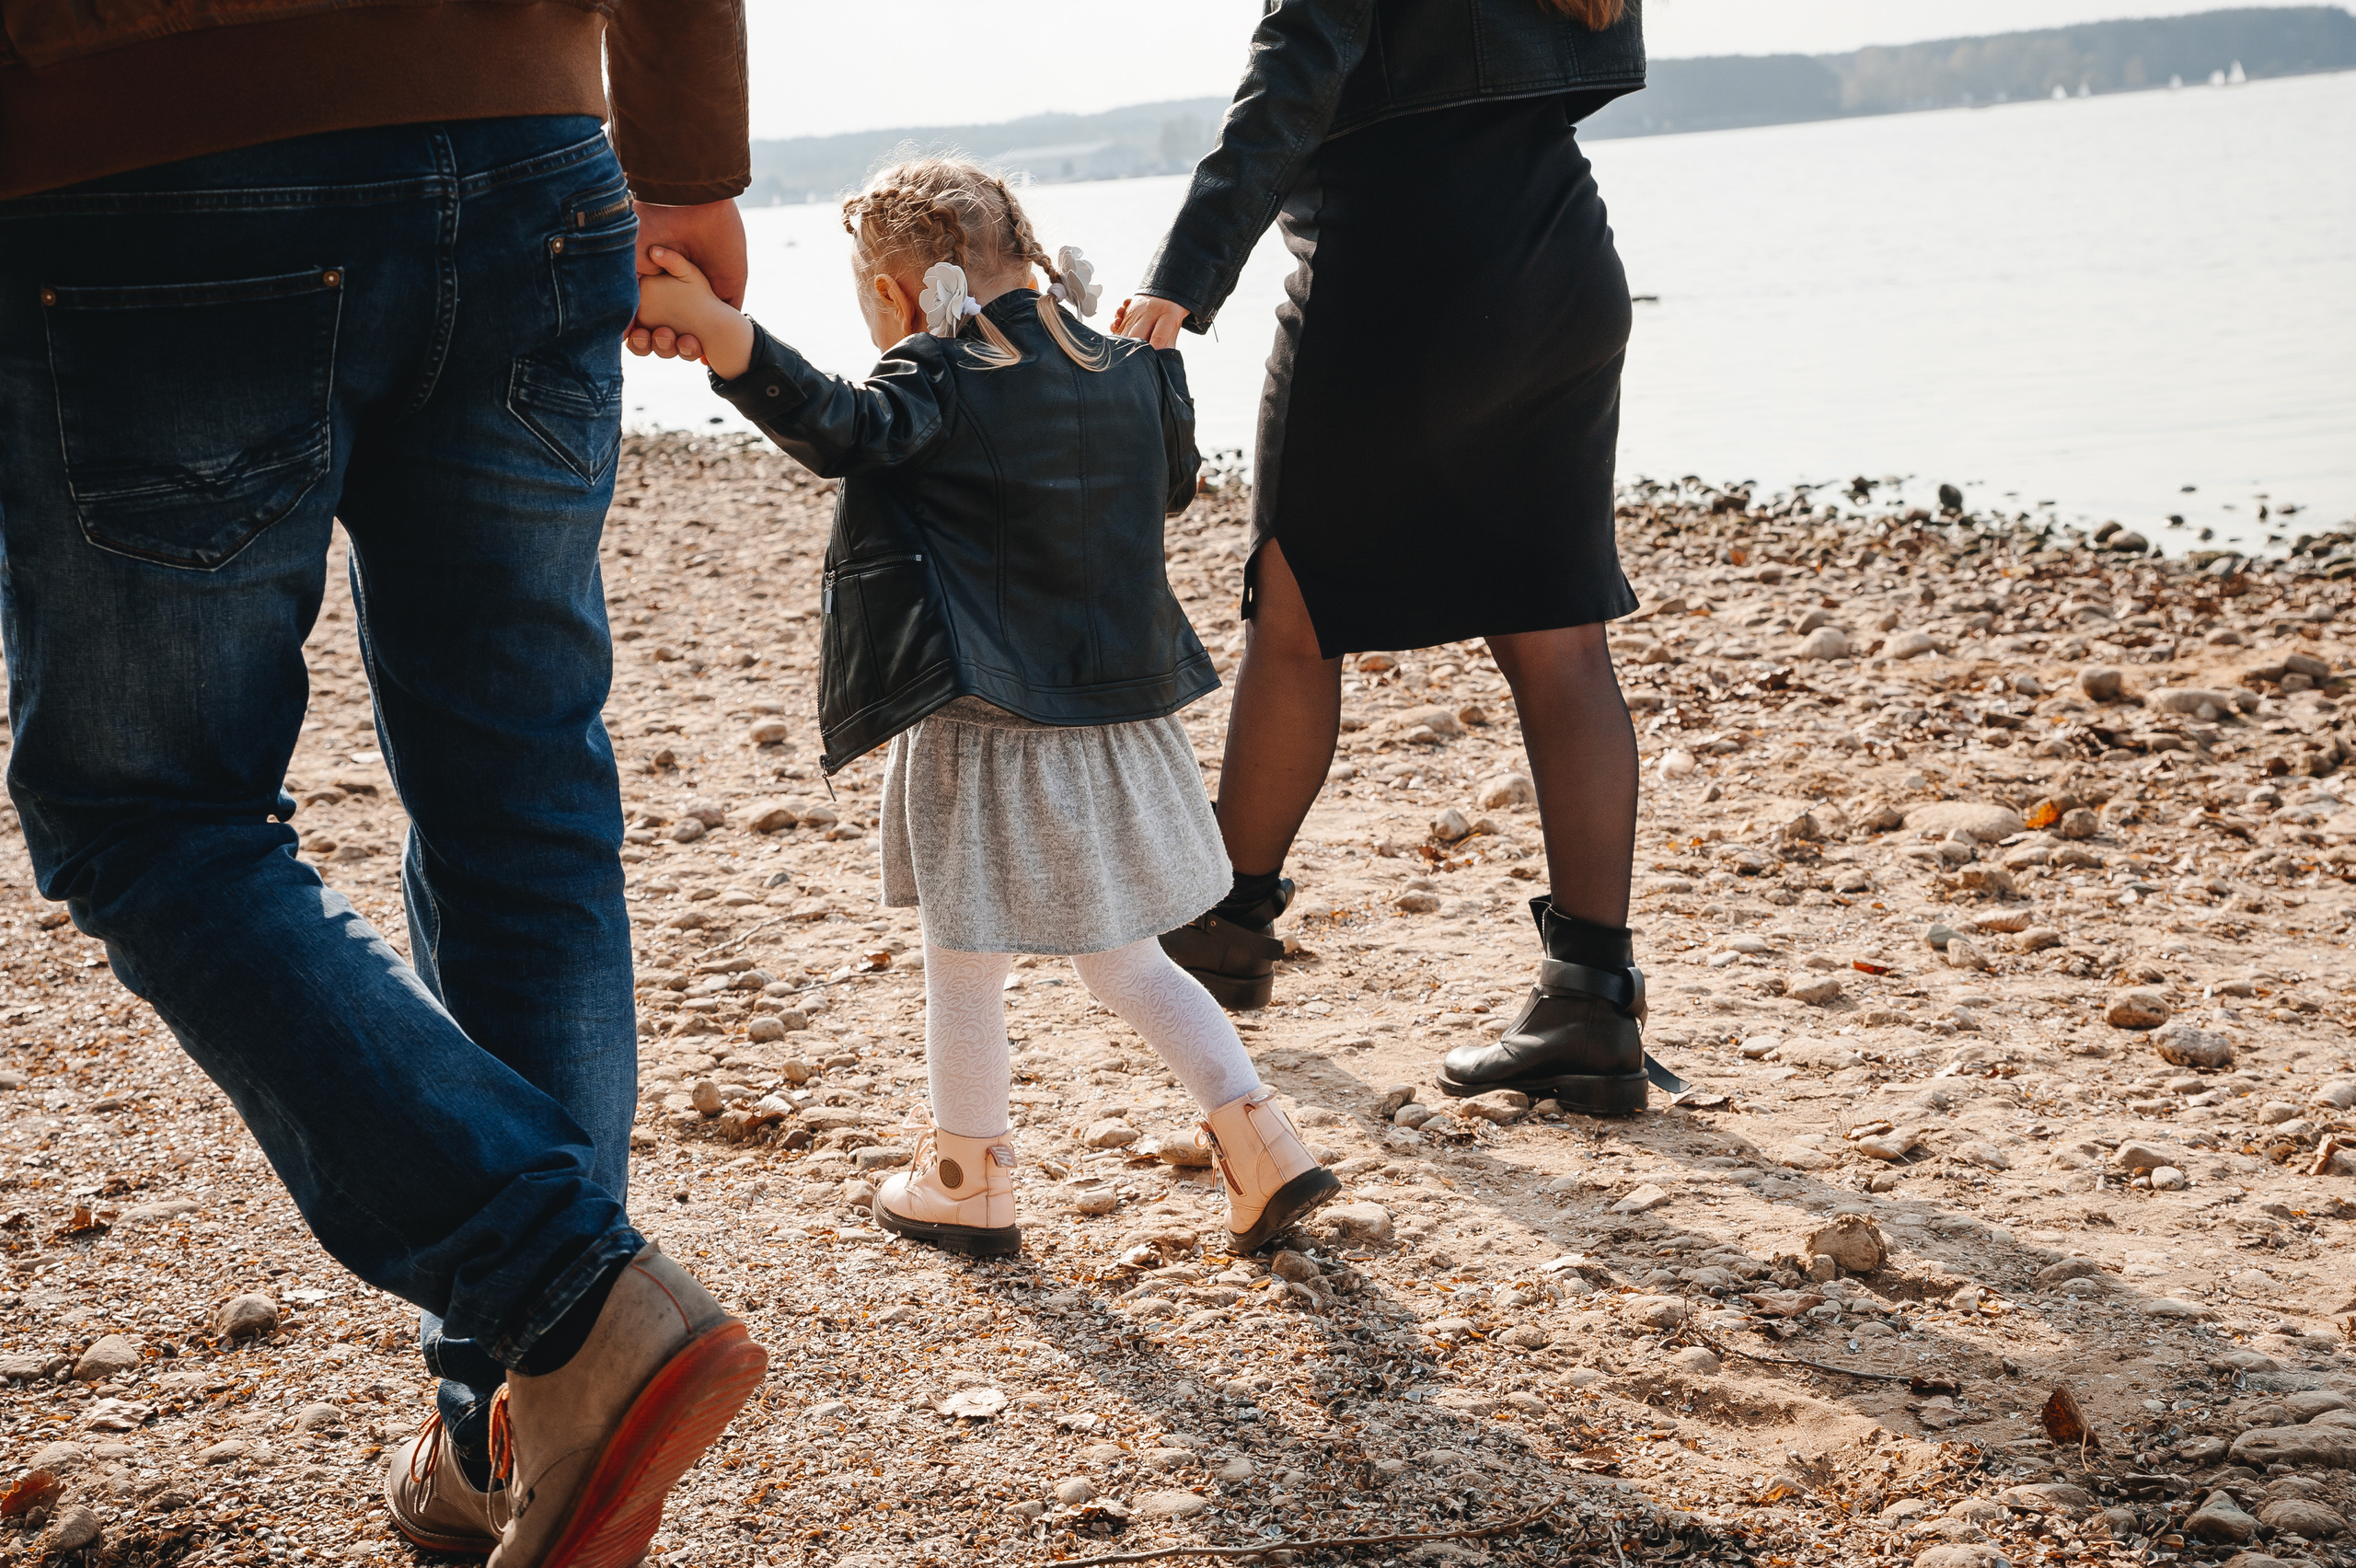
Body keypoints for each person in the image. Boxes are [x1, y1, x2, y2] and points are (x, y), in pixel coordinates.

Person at [0, 6, 768, 1562]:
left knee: (150, 810)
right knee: (523, 799)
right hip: (525, 157)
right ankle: (509, 1420)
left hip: (152, 162)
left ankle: (565, 1296)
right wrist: (687, 161)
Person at [633, 157, 1344, 1258]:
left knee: (963, 964)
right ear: (1030, 255)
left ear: (894, 294)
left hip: (987, 724)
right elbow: (1169, 485)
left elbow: (836, 429)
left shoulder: (935, 371)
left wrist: (720, 328)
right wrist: (1160, 375)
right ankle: (1262, 1142)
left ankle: (966, 1177)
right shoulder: (1129, 365)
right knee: (1129, 959)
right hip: (1118, 719)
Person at [1115, 0, 1660, 1114]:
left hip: (1393, 273)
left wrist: (1181, 276)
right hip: (1556, 260)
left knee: (1298, 607)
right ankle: (1591, 1001)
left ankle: (1225, 930)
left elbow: (1297, 68)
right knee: (1558, 633)